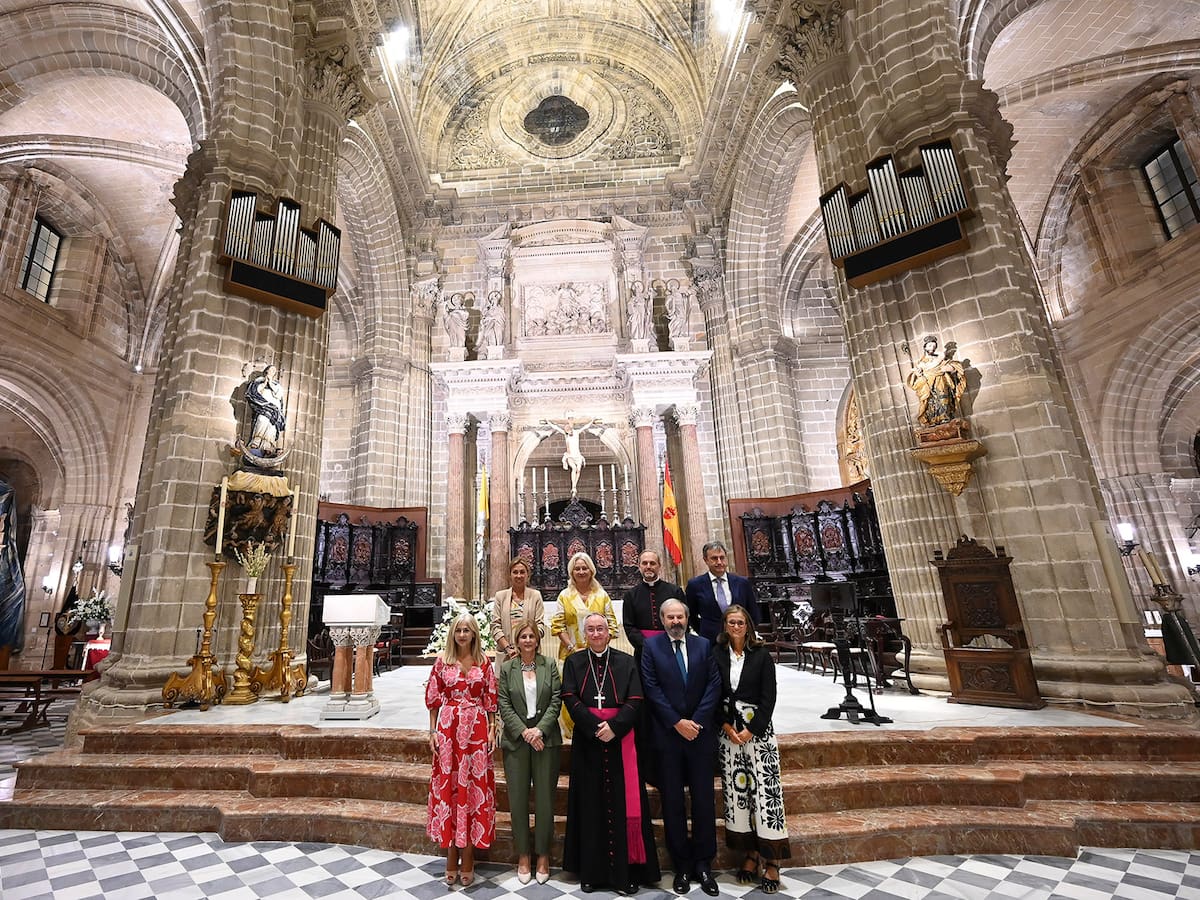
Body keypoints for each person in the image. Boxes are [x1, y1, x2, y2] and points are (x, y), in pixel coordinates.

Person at [562, 613, 660, 894]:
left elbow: (636, 698)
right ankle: (591, 872)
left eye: (600, 629)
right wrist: (594, 726)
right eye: (590, 629)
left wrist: (615, 727)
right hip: (588, 741)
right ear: (585, 634)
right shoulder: (574, 662)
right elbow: (569, 696)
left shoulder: (626, 661)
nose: (595, 634)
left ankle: (626, 872)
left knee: (622, 805)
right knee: (590, 805)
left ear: (609, 632)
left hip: (620, 740)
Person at [640, 599, 722, 896]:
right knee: (673, 801)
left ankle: (703, 863)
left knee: (703, 800)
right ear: (662, 620)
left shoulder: (703, 646)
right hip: (668, 736)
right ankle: (682, 865)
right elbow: (651, 687)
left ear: (687, 619)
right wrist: (677, 722)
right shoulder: (652, 648)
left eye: (680, 617)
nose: (676, 621)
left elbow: (714, 685)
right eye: (670, 617)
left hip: (699, 735)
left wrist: (696, 722)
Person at [715, 605, 791, 895]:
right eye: (731, 622)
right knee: (738, 795)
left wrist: (751, 729)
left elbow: (768, 697)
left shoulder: (760, 656)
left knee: (766, 793)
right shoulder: (717, 654)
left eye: (740, 622)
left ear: (748, 625)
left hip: (756, 732)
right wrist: (725, 725)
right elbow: (713, 692)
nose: (735, 627)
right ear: (724, 626)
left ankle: (772, 860)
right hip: (729, 732)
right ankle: (750, 854)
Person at [425, 613, 498, 887]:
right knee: (450, 787)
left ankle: (468, 852)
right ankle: (450, 851)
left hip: (477, 729)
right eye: (459, 630)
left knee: (474, 786)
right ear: (452, 634)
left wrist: (492, 729)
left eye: (467, 630)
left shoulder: (484, 662)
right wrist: (432, 731)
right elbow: (433, 699)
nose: (463, 635)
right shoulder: (442, 662)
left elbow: (491, 699)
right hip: (449, 729)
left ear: (475, 634)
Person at [498, 621, 562, 885]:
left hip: (545, 741)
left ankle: (543, 855)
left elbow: (556, 699)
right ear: (516, 641)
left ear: (538, 640)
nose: (527, 640)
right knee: (518, 800)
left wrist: (540, 731)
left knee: (545, 800)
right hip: (517, 741)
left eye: (531, 636)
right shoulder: (506, 668)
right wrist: (524, 732)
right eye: (523, 636)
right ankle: (524, 854)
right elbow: (503, 702)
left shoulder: (550, 665)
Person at [621, 549, 686, 787]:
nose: (648, 567)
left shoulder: (674, 592)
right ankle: (649, 766)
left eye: (652, 563)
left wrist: (665, 646)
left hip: (673, 657)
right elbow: (629, 627)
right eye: (644, 563)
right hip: (644, 658)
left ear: (659, 566)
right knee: (648, 709)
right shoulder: (632, 595)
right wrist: (651, 648)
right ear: (638, 566)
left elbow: (683, 623)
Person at [685, 541, 761, 643]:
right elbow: (691, 615)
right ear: (705, 560)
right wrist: (704, 632)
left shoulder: (742, 583)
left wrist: (744, 632)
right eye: (714, 558)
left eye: (722, 557)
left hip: (740, 641)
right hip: (710, 641)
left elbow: (753, 613)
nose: (719, 562)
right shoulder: (695, 585)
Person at [551, 551, 618, 661]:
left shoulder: (602, 595)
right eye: (577, 569)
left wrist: (599, 646)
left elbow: (612, 626)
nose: (581, 572)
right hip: (570, 653)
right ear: (572, 572)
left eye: (584, 568)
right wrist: (571, 647)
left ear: (591, 571)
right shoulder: (564, 596)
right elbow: (558, 626)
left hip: (598, 654)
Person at [905, 334, 967, 427]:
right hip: (928, 385)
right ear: (925, 347)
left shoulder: (940, 358)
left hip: (941, 381)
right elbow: (916, 376)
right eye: (930, 346)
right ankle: (933, 420)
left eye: (934, 346)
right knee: (931, 402)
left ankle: (945, 419)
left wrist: (950, 368)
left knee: (944, 399)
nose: (932, 348)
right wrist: (917, 374)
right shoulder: (921, 362)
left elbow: (953, 366)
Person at [490, 558, 545, 661]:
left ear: (528, 575)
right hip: (506, 655)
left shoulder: (535, 596)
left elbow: (540, 626)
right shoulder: (500, 596)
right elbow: (495, 626)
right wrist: (507, 648)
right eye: (515, 572)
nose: (519, 575)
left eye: (522, 572)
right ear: (509, 575)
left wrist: (526, 646)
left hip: (530, 654)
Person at [245, 365, 287, 456]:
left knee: (271, 426)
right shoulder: (258, 381)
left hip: (274, 408)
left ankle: (267, 445)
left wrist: (271, 383)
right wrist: (265, 383)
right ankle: (256, 442)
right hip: (263, 405)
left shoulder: (277, 384)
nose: (272, 371)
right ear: (266, 370)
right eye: (270, 369)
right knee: (261, 420)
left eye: (274, 371)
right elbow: (255, 392)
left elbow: (279, 395)